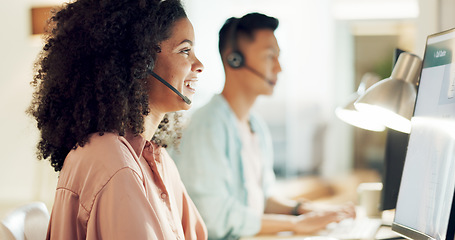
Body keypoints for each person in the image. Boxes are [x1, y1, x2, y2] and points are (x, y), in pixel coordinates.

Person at [27, 0, 207, 239]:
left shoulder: (157, 161)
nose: (200, 65)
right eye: (185, 50)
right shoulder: (111, 162)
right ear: (139, 61)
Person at [169, 12, 355, 239]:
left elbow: (261, 199)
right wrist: (296, 225)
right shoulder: (206, 127)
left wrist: (304, 210)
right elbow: (213, 218)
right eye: (270, 56)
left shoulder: (255, 125)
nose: (278, 68)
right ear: (234, 59)